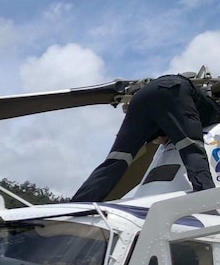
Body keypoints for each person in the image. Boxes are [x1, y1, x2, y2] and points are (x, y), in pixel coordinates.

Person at [72, 74, 220, 202]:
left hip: (140, 99)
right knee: (191, 148)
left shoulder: (158, 122)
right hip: (175, 90)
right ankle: (206, 198)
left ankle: (78, 204)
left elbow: (158, 135)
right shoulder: (206, 113)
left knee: (116, 160)